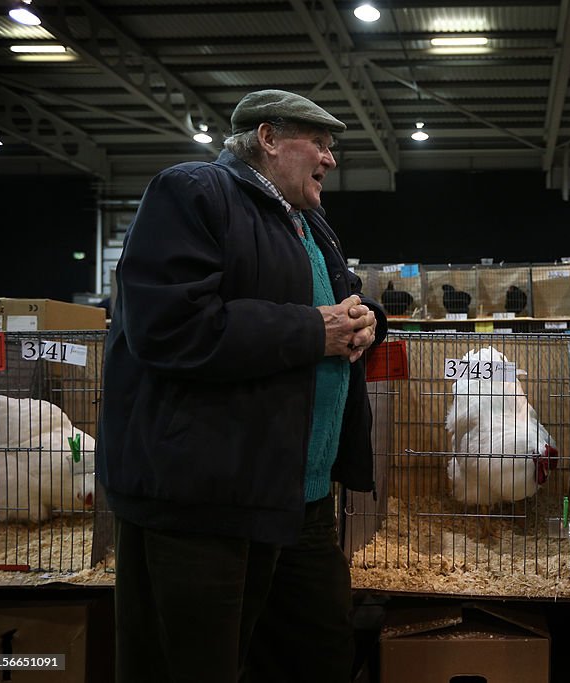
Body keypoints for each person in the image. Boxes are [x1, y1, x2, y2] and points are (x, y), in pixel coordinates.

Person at [96, 89, 387, 683]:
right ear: (269, 138)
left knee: (319, 655)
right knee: (192, 665)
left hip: (296, 496)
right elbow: (170, 327)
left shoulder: (308, 223)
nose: (331, 160)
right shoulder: (194, 192)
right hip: (203, 501)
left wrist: (368, 322)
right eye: (320, 144)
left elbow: (338, 302)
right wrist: (313, 330)